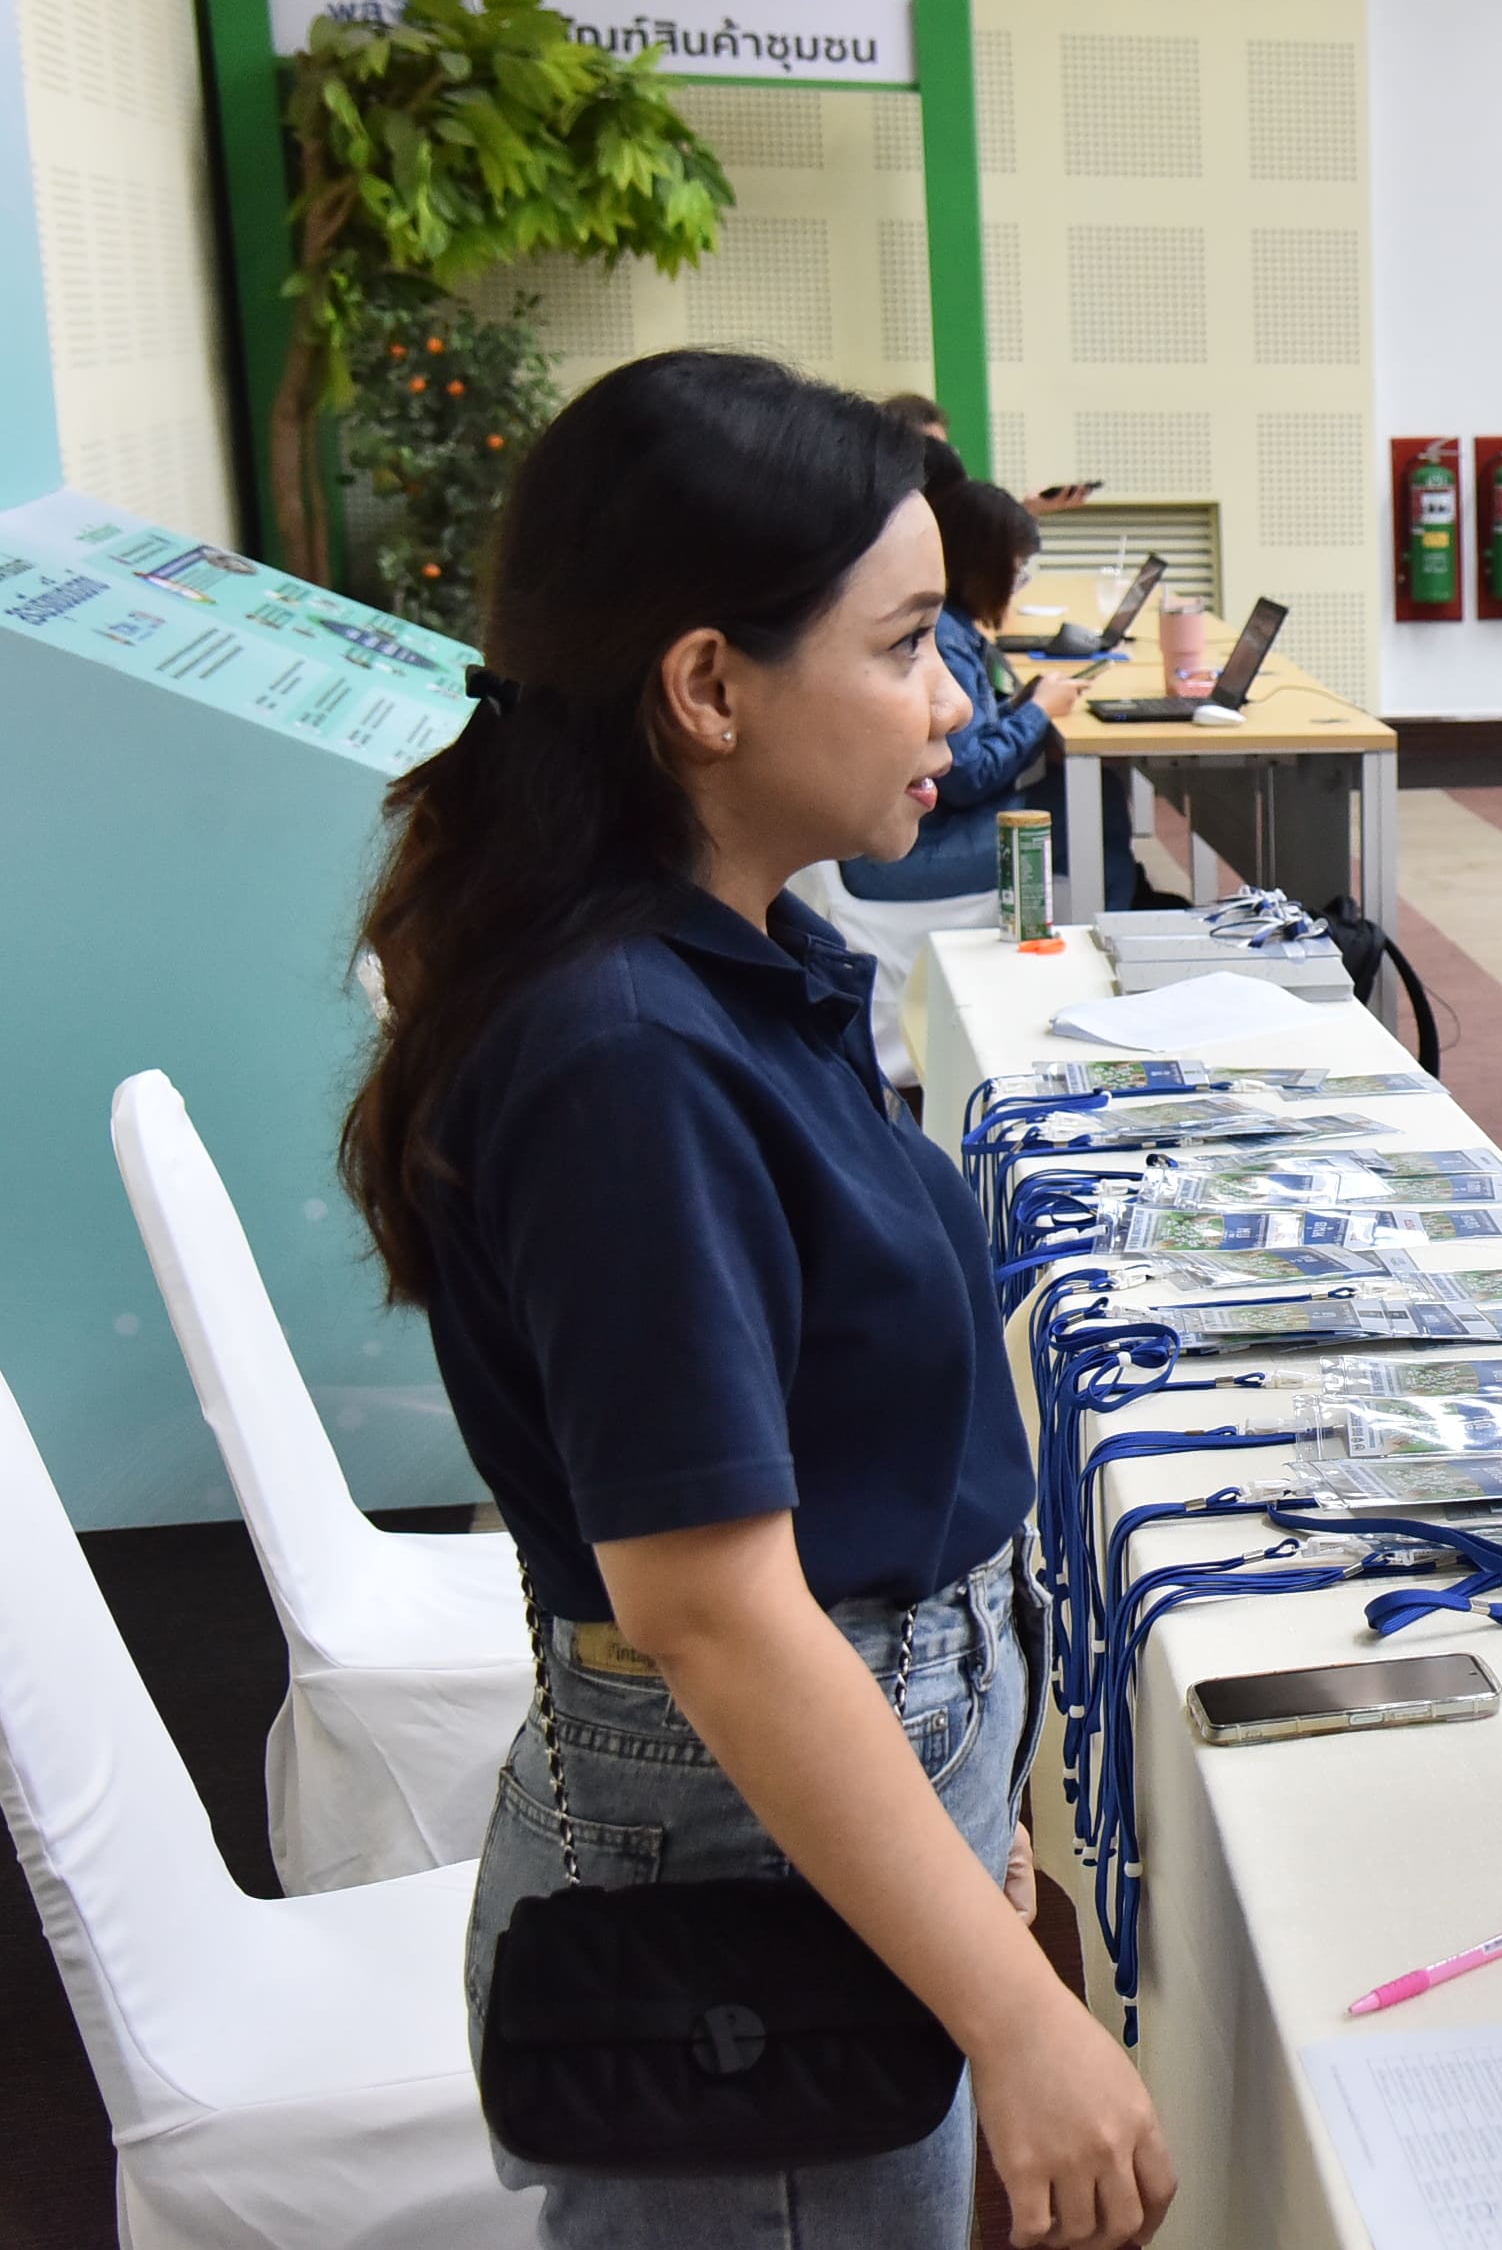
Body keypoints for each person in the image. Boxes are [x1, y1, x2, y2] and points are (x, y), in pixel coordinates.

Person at [340, 350, 1177, 2250]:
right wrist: (1016, 2010)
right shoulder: (627, 1057)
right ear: (708, 687)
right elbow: (713, 1612)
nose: (953, 697)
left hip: (836, 1767)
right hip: (754, 1825)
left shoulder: (730, 957)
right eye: (903, 645)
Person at [833, 474, 1087, 1085]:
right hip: (910, 852)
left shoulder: (951, 629)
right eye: (1018, 568)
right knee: (1081, 828)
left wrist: (1024, 708)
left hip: (927, 830)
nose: (1020, 581)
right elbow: (967, 775)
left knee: (1084, 802)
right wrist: (1037, 713)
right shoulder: (945, 634)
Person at [877, 391, 1098, 514]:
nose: (942, 462)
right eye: (930, 453)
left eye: (944, 451)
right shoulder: (882, 521)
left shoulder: (945, 510)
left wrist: (1029, 509)